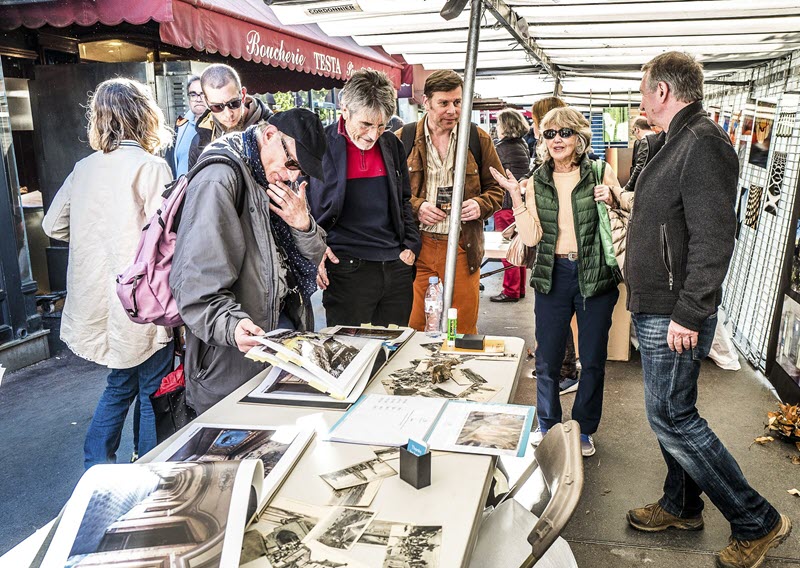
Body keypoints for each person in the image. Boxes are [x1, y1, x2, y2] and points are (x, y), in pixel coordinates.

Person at [617, 51, 791, 568]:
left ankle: (757, 520)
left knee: (672, 416)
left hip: (675, 310)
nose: (641, 99)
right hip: (660, 304)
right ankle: (682, 504)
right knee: (672, 413)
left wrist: (690, 313)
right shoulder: (677, 141)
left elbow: (716, 240)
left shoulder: (703, 144)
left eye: (644, 89)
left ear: (663, 92)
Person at [42, 78, 174, 468]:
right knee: (153, 391)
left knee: (119, 384)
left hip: (99, 297)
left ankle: (95, 467)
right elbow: (168, 236)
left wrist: (91, 236)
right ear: (144, 115)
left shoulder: (84, 168)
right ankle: (149, 476)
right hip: (142, 298)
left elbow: (52, 225)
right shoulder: (150, 167)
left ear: (99, 120)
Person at [171, 109, 328, 415]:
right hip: (235, 359)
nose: (293, 175)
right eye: (292, 162)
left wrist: (303, 225)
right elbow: (194, 288)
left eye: (301, 170)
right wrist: (231, 326)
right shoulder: (219, 179)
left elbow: (315, 253)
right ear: (270, 135)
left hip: (278, 338)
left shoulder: (269, 174)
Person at [491, 107, 621, 457]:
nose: (557, 140)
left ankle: (582, 430)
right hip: (553, 274)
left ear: (579, 137)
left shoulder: (600, 171)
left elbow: (625, 215)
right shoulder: (536, 180)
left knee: (592, 359)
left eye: (564, 132)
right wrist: (516, 197)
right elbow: (531, 238)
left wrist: (612, 199)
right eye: (549, 134)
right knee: (547, 360)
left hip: (595, 275)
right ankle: (548, 425)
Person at [309, 70, 421, 327]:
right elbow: (302, 206)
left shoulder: (391, 144)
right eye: (366, 125)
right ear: (344, 110)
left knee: (394, 354)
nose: (373, 135)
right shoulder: (319, 144)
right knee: (349, 354)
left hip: (395, 266)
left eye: (381, 126)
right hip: (346, 269)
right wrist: (315, 251)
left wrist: (410, 247)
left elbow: (404, 199)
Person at [399, 69, 504, 335]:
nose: (452, 110)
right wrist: (416, 206)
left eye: (458, 102)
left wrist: (480, 205)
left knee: (462, 327)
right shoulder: (402, 139)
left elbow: (497, 189)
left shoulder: (478, 139)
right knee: (415, 326)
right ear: (426, 102)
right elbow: (388, 195)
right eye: (443, 103)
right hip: (417, 246)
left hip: (461, 245)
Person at [525, 96, 580, 396]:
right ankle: (558, 369)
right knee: (552, 321)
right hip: (551, 255)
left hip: (561, 256)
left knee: (556, 321)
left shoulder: (577, 167)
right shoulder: (541, 166)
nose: (553, 138)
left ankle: (565, 371)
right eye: (548, 133)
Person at [188, 63, 271, 168]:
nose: (228, 114)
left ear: (243, 95)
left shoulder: (273, 128)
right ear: (206, 102)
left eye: (234, 103)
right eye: (217, 107)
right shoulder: (199, 142)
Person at [490, 109, 531, 304]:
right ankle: (519, 288)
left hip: (505, 203)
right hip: (519, 203)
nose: (496, 128)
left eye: (498, 124)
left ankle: (511, 290)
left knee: (507, 249)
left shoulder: (501, 148)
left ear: (505, 126)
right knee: (518, 245)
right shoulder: (522, 144)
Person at [165, 75, 206, 177]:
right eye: (193, 95)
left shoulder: (219, 126)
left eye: (203, 94)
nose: (198, 99)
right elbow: (170, 163)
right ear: (188, 99)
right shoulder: (180, 125)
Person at [624, 116, 657, 192]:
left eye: (633, 132)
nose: (634, 135)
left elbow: (639, 167)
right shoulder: (659, 139)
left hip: (644, 186)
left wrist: (627, 188)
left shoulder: (645, 141)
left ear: (637, 129)